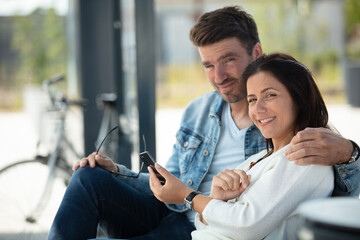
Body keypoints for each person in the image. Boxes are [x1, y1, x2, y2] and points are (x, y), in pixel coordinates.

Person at [47, 5, 360, 240]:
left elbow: (337, 194)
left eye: (228, 60)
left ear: (256, 52)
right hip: (183, 209)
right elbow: (173, 183)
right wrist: (119, 173)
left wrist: (349, 153)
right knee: (88, 178)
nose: (218, 77)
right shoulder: (198, 111)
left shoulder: (284, 125)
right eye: (209, 65)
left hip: (203, 221)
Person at [149, 53, 335, 240]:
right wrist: (216, 199)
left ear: (299, 98)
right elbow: (202, 223)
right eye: (252, 100)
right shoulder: (259, 158)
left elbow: (246, 225)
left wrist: (187, 196)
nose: (258, 109)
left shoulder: (307, 157)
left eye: (270, 95)